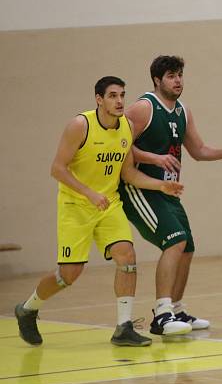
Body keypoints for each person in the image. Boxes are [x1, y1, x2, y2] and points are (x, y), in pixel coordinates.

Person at [14, 76, 183, 347]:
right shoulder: (80, 125)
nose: (119, 101)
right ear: (99, 99)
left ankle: (123, 328)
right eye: (113, 96)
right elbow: (57, 168)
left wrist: (161, 185)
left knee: (127, 257)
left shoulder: (126, 127)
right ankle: (27, 309)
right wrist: (89, 193)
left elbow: (127, 173)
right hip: (76, 206)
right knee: (68, 275)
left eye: (122, 95)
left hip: (108, 205)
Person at [120, 56, 222, 336]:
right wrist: (154, 158)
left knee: (187, 247)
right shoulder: (142, 109)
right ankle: (162, 315)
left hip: (168, 191)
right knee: (175, 240)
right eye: (171, 75)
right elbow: (120, 146)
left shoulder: (183, 111)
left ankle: (177, 309)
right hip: (140, 188)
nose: (178, 80)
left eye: (180, 74)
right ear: (157, 80)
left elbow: (198, 150)